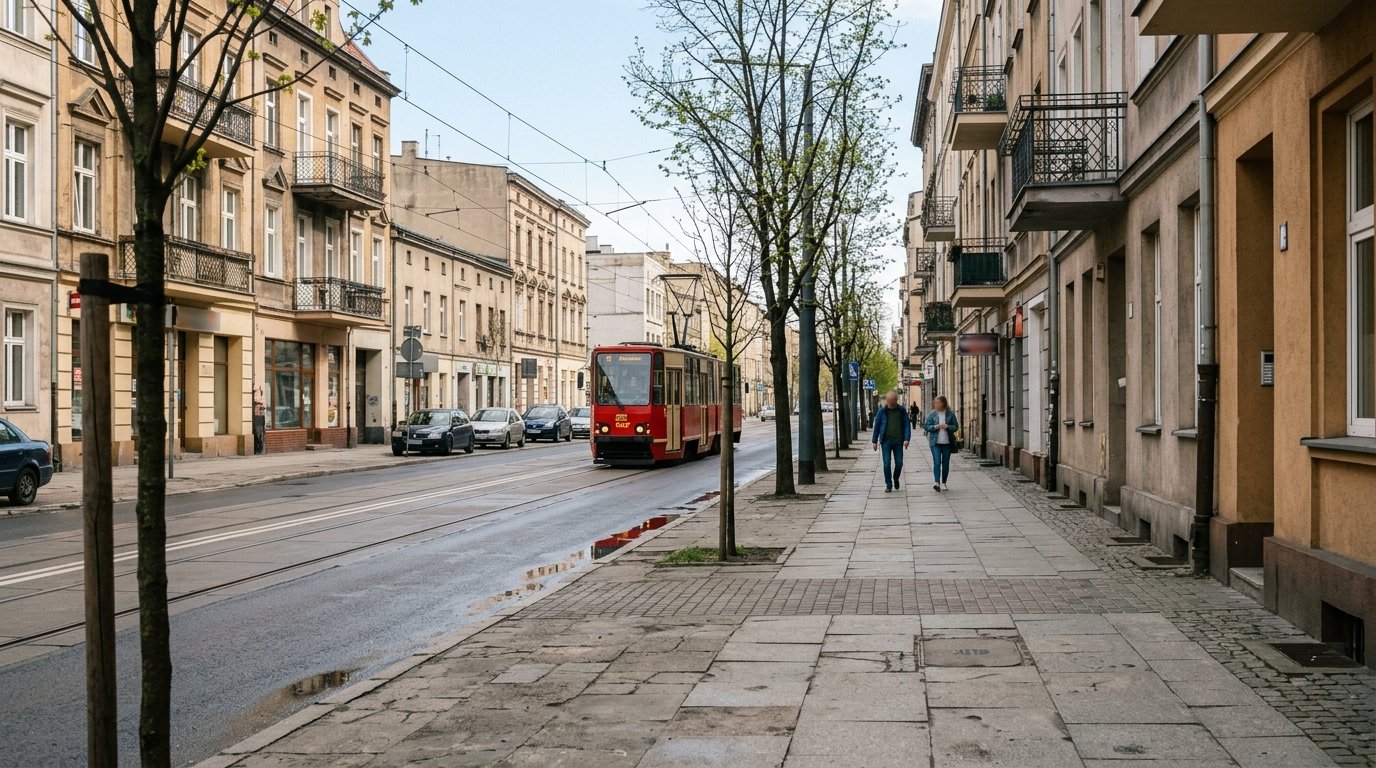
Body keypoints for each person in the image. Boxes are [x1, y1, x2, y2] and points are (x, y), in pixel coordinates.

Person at [870, 390, 911, 493]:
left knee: (899, 463)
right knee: (886, 464)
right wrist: (874, 441)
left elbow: (907, 424)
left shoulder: (901, 411)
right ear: (886, 401)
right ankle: (888, 484)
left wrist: (906, 439)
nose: (891, 403)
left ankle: (896, 478)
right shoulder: (882, 412)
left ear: (896, 400)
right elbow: (877, 426)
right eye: (889, 401)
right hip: (886, 441)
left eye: (893, 401)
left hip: (898, 441)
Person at [923, 395, 960, 492]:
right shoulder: (932, 414)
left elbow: (956, 426)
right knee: (937, 462)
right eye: (934, 403)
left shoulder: (950, 414)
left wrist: (948, 426)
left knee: (945, 463)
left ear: (943, 403)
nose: (935, 405)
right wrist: (936, 427)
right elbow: (926, 426)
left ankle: (943, 483)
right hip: (935, 442)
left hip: (947, 442)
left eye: (937, 403)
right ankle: (936, 483)